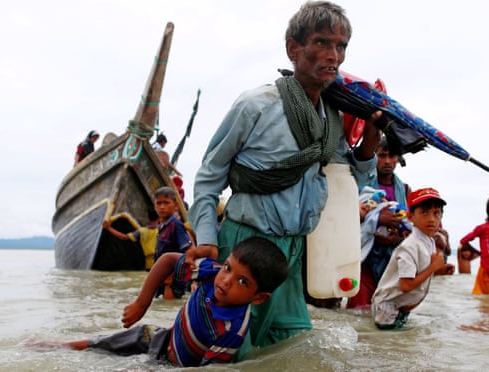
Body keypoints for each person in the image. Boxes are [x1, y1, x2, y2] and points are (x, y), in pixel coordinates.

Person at [187, 1, 383, 356]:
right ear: (294, 48)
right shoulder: (255, 105)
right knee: (230, 352)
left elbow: (346, 176)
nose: (333, 55)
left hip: (293, 253)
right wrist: (205, 238)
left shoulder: (332, 119)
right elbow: (209, 175)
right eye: (322, 42)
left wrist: (370, 141)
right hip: (246, 246)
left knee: (294, 348)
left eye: (340, 47)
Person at [38, 237, 289, 367]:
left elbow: (208, 369)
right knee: (106, 343)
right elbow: (169, 260)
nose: (226, 280)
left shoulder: (232, 332)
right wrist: (142, 303)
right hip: (163, 338)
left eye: (242, 281)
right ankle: (63, 345)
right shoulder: (211, 273)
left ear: (258, 298)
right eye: (228, 268)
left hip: (176, 366)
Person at [371, 187, 454, 329]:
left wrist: (439, 269)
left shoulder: (429, 242)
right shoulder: (409, 247)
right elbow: (406, 285)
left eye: (436, 213)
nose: (431, 219)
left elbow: (420, 271)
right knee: (387, 344)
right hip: (388, 308)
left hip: (401, 306)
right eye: (424, 212)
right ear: (410, 217)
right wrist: (433, 267)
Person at [347, 136, 411, 309]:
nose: (387, 161)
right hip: (364, 259)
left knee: (387, 311)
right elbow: (346, 216)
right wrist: (377, 219)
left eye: (392, 156)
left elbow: (411, 225)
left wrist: (397, 238)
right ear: (374, 156)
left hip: (391, 260)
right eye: (382, 156)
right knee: (359, 310)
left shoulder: (404, 189)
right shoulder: (360, 186)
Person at [106, 186, 194, 299]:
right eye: (159, 203)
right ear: (154, 206)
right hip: (160, 276)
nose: (162, 207)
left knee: (169, 304)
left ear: (176, 206)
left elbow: (188, 251)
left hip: (171, 279)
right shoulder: (162, 227)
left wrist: (174, 276)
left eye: (166, 203)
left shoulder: (176, 225)